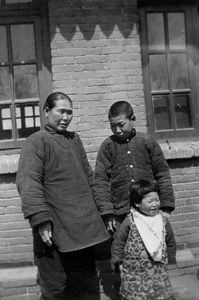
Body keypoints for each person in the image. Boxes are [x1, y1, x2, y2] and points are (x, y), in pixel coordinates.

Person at [16, 92, 109, 300]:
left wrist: (104, 212)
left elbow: (88, 177)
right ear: (47, 112)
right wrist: (41, 219)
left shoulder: (74, 140)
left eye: (70, 112)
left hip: (81, 230)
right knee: (55, 288)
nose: (66, 117)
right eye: (61, 111)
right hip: (52, 230)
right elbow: (28, 182)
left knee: (83, 283)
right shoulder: (37, 141)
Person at [94, 101, 175, 234]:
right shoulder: (107, 146)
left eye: (121, 125)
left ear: (133, 120)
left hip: (149, 211)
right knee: (124, 249)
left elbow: (162, 174)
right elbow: (100, 181)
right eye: (112, 126)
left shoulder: (147, 141)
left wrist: (166, 207)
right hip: (121, 213)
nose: (117, 130)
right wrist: (107, 212)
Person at [111, 179, 176, 300]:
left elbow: (170, 241)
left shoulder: (162, 221)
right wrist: (118, 261)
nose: (155, 204)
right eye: (150, 201)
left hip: (158, 269)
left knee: (159, 295)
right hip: (134, 270)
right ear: (137, 203)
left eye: (157, 200)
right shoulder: (130, 221)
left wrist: (171, 260)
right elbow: (119, 242)